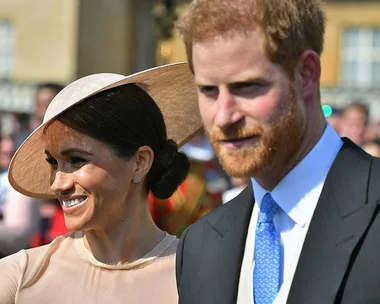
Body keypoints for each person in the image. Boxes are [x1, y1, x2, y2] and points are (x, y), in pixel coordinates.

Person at [175, 1, 380, 303]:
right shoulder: (199, 244)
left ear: (307, 74)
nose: (223, 116)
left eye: (246, 86)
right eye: (208, 90)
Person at [0, 63, 202, 303]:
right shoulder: (20, 277)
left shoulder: (199, 277)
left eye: (76, 160)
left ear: (139, 162)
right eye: (54, 162)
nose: (58, 184)